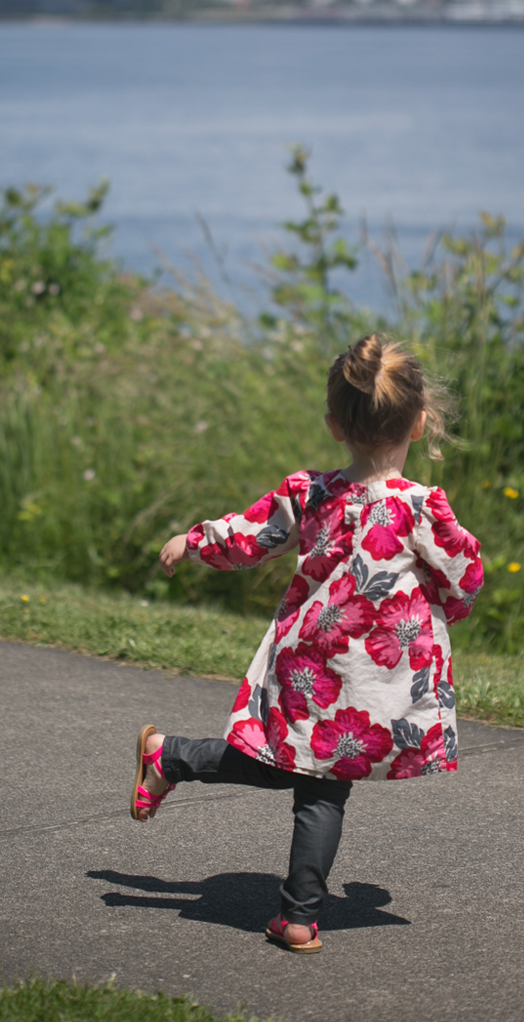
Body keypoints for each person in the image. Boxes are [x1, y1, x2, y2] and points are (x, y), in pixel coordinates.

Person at [131, 333, 483, 953]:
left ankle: (174, 760)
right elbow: (465, 578)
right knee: (318, 785)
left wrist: (196, 540)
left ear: (332, 425)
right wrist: (445, 605)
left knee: (309, 777)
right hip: (358, 679)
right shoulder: (424, 511)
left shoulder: (311, 494)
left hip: (314, 670)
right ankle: (296, 913)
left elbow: (249, 534)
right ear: (421, 420)